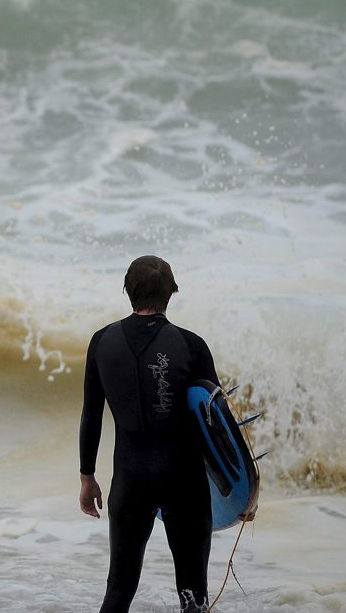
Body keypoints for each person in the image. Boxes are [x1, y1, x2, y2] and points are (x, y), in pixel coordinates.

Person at [78, 255, 231, 613]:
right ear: (171, 293)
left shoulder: (101, 343)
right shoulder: (191, 345)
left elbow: (91, 415)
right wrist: (240, 492)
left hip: (129, 482)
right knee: (193, 598)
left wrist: (88, 478)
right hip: (184, 484)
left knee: (118, 591)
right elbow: (217, 424)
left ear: (128, 292)